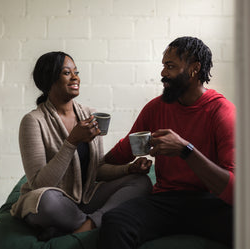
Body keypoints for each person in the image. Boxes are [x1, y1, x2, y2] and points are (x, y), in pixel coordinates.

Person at [98, 36, 235, 248]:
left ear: (194, 69)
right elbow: (106, 164)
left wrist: (185, 150)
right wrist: (129, 169)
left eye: (170, 66)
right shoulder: (156, 108)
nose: (163, 73)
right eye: (163, 66)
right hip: (166, 200)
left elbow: (235, 190)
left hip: (209, 201)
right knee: (116, 222)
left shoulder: (221, 112)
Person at [10, 51, 152, 241]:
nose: (75, 77)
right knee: (46, 201)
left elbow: (97, 170)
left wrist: (128, 168)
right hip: (54, 203)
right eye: (67, 73)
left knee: (141, 182)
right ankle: (95, 224)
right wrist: (71, 142)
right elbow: (40, 184)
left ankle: (84, 226)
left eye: (76, 72)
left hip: (85, 199)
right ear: (49, 79)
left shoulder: (89, 115)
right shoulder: (33, 121)